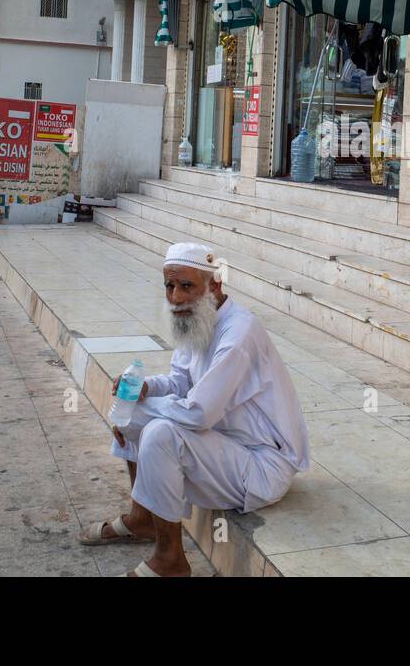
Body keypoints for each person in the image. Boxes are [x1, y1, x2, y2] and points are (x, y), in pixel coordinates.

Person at [78, 242, 310, 577]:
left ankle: (170, 559)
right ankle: (142, 519)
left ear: (214, 286)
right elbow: (179, 381)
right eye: (170, 286)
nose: (176, 297)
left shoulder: (240, 331)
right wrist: (145, 389)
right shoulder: (197, 317)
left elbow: (199, 413)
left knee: (158, 432)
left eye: (187, 286)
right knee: (133, 412)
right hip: (224, 446)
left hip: (261, 464)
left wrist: (148, 409)